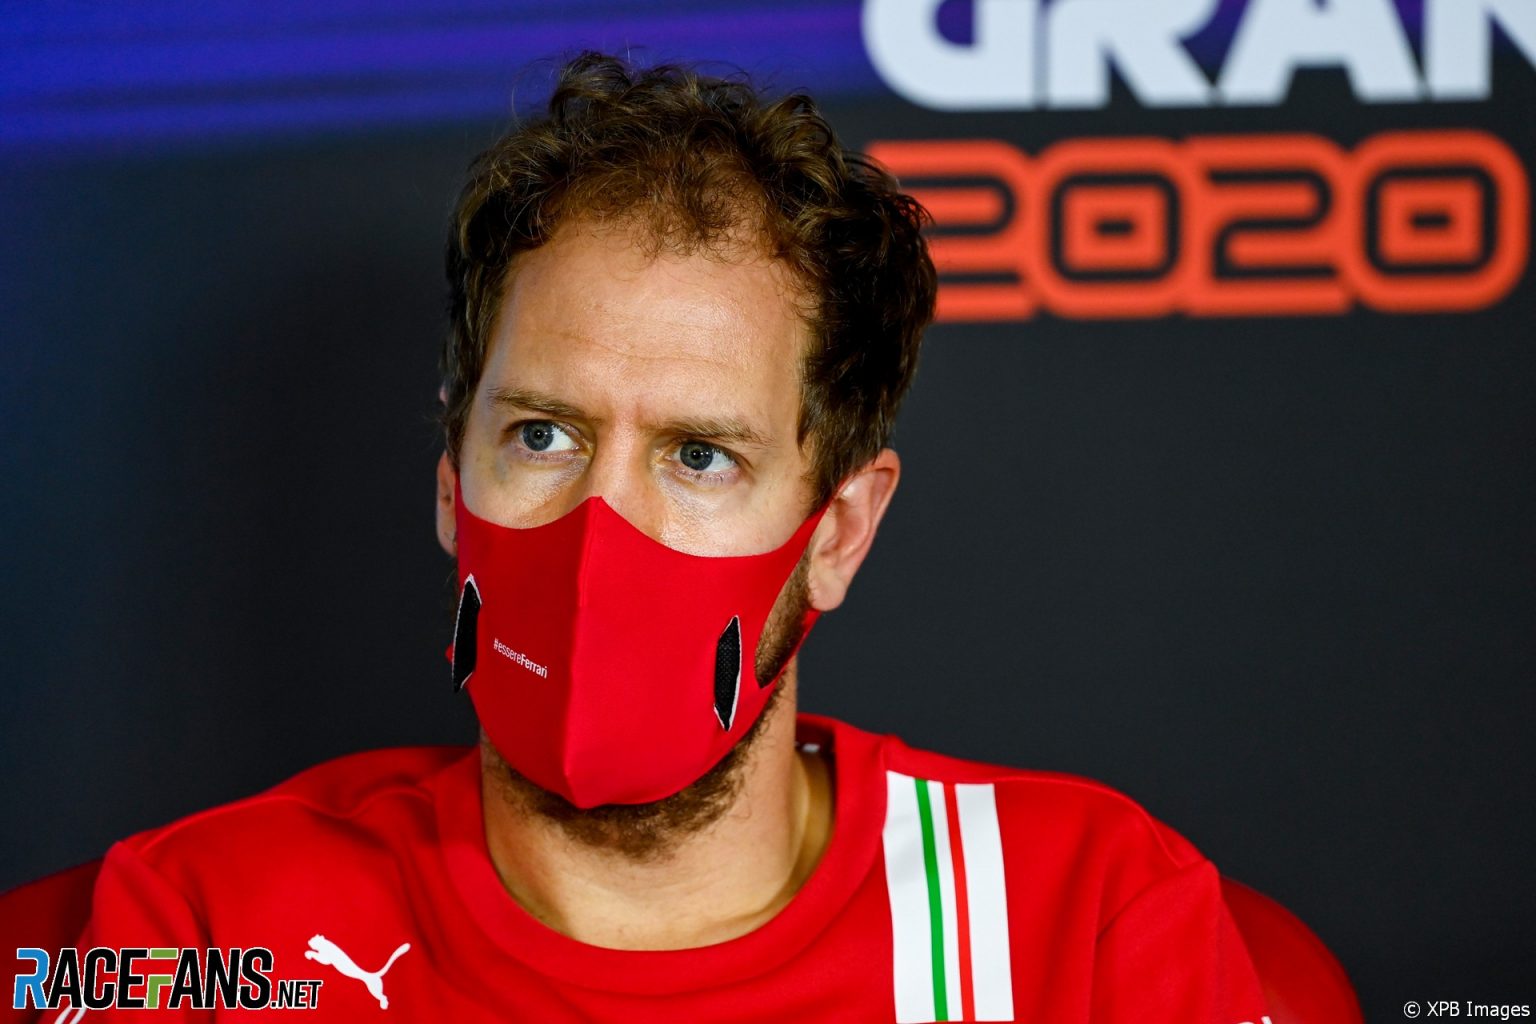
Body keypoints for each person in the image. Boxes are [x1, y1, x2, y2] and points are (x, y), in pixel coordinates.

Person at [57, 53, 1271, 1022]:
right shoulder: (207, 931)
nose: (602, 535)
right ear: (452, 482)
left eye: (699, 455)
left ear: (838, 532)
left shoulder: (1085, 927)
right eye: (543, 436)